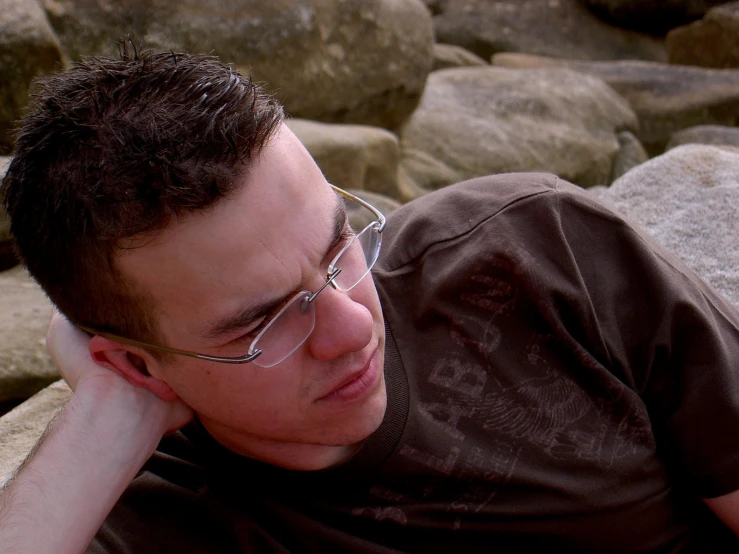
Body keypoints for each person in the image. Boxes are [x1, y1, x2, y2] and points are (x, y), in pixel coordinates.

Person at [1, 47, 739, 554]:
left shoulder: (531, 253)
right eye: (263, 322)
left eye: (338, 246)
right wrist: (105, 414)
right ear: (137, 361)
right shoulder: (161, 515)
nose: (351, 326)